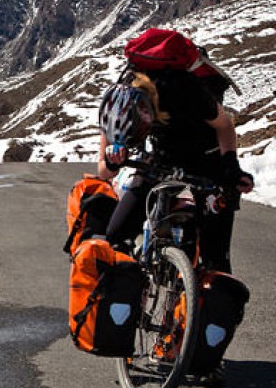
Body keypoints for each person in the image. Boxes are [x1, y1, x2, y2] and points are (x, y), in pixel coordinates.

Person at [97, 70, 254, 274]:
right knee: (115, 234)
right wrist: (112, 163)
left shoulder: (190, 93)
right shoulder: (117, 106)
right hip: (161, 158)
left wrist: (231, 167)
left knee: (216, 261)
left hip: (207, 158)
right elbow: (103, 172)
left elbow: (224, 125)